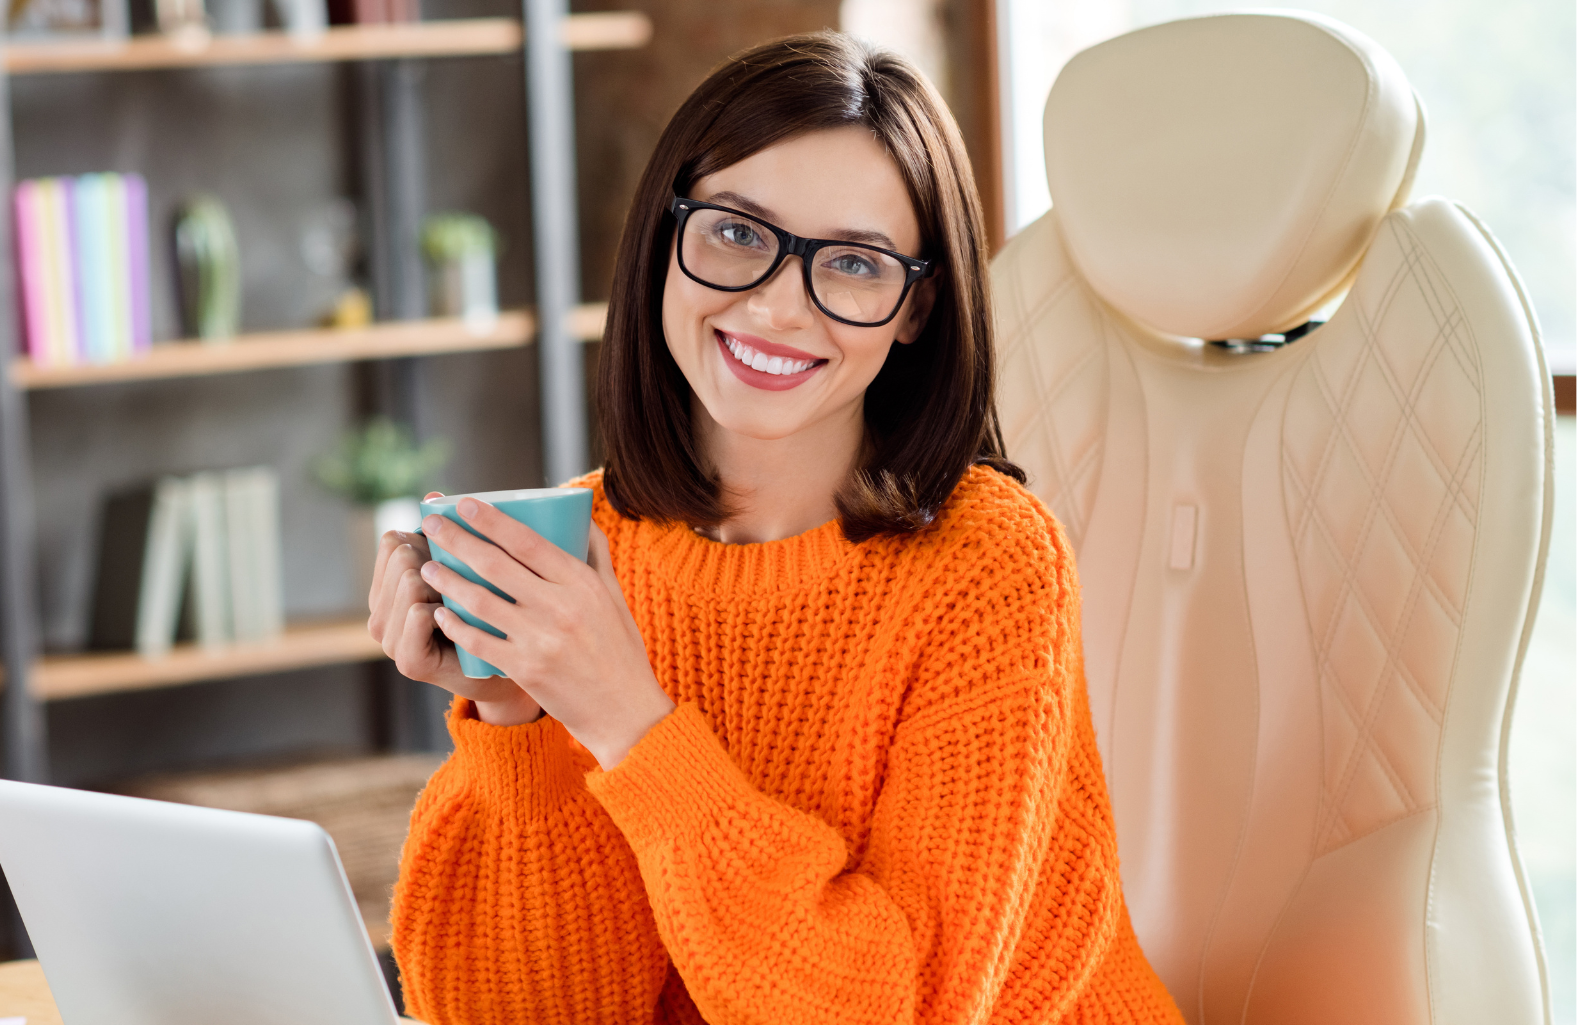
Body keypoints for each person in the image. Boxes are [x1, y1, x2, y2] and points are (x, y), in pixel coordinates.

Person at [367, 32, 1184, 1025]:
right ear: (667, 236)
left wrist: (630, 720)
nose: (776, 305)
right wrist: (519, 716)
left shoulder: (990, 562)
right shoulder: (587, 547)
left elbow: (896, 1008)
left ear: (915, 307)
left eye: (851, 262)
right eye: (738, 233)